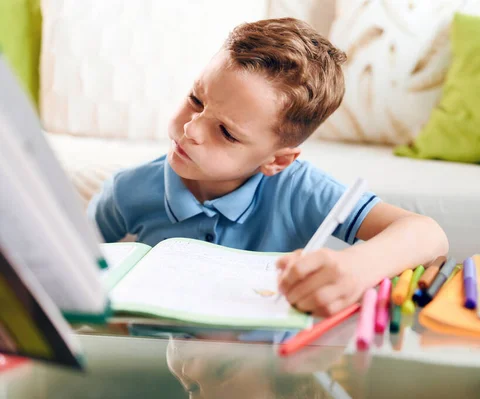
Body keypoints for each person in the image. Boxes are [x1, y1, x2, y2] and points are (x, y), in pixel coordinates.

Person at [88, 17, 448, 316]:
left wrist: (356, 268)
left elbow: (429, 235)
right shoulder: (127, 190)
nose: (191, 128)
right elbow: (68, 264)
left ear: (276, 161)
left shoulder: (300, 190)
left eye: (226, 132)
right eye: (196, 100)